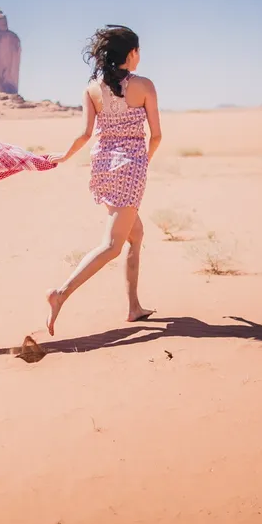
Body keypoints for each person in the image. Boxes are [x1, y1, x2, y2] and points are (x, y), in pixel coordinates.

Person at [44, 25, 161, 335]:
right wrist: (141, 163)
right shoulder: (145, 85)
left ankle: (134, 307)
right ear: (131, 53)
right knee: (111, 245)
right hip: (130, 169)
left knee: (135, 234)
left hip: (103, 167)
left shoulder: (92, 89)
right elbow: (157, 136)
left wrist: (64, 157)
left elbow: (85, 134)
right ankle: (61, 294)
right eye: (139, 51)